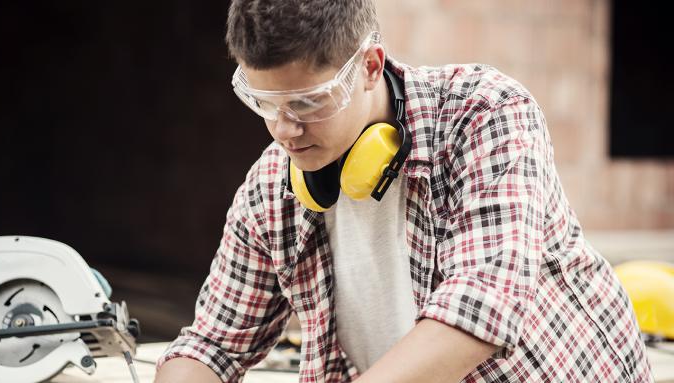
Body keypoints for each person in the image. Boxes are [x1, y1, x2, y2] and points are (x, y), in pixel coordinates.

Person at [154, 0, 652, 382]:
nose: (283, 130)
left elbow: (480, 307)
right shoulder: (271, 191)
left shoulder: (483, 114)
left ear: (370, 65)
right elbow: (212, 345)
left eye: (307, 102)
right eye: (264, 101)